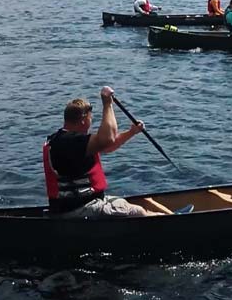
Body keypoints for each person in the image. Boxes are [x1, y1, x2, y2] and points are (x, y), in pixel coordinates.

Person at [43, 87, 153, 217]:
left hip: (88, 203)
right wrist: (107, 104)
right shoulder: (69, 142)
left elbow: (107, 146)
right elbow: (107, 139)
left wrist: (131, 132)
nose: (91, 122)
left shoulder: (64, 139)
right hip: (78, 209)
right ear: (84, 120)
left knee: (127, 205)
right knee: (139, 213)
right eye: (91, 119)